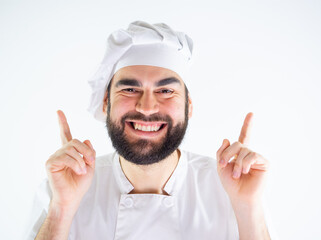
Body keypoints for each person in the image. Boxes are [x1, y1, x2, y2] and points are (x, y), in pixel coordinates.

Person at [26, 21, 275, 240]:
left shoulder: (233, 189)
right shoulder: (62, 188)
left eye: (166, 91)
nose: (146, 108)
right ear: (106, 102)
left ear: (188, 107)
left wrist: (248, 208)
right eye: (130, 89)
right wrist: (61, 210)